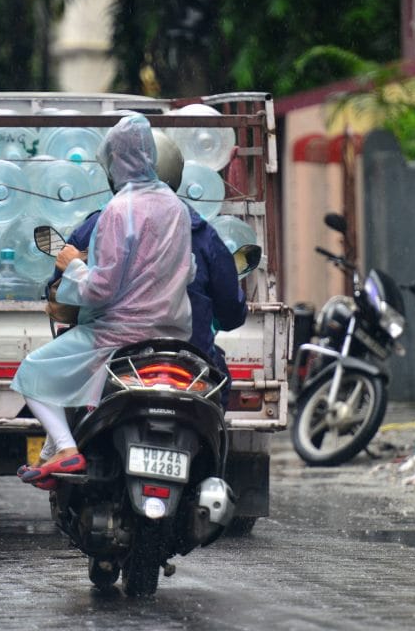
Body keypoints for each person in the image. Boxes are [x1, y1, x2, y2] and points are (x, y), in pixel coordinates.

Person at [13, 115, 193, 489]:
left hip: (117, 335)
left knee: (31, 373)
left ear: (114, 162)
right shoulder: (176, 207)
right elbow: (186, 270)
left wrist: (72, 265)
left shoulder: (118, 210)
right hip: (172, 335)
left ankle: (65, 448)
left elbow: (100, 290)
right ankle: (54, 450)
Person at [49, 130, 247, 384]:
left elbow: (61, 302)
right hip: (187, 364)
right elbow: (231, 313)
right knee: (217, 382)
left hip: (113, 364)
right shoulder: (202, 234)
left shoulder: (94, 228)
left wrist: (76, 269)